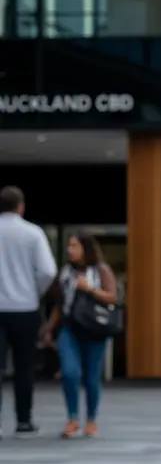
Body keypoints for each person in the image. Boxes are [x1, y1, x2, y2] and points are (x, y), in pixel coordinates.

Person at [40, 234, 118, 438]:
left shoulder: (101, 270)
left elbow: (112, 297)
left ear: (86, 248)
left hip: (94, 328)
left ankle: (91, 419)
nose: (69, 250)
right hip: (69, 328)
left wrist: (90, 289)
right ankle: (72, 418)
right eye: (69, 246)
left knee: (91, 376)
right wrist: (49, 328)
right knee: (69, 372)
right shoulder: (66, 273)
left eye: (74, 246)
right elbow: (59, 304)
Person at [0, 185, 57, 439]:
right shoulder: (33, 233)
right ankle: (24, 420)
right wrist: (33, 291)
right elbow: (47, 271)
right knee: (24, 366)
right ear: (20, 206)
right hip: (24, 308)